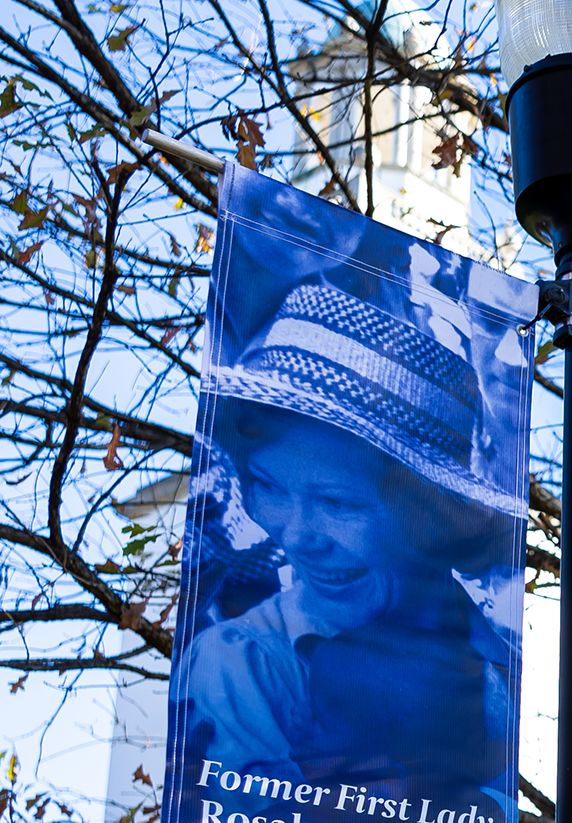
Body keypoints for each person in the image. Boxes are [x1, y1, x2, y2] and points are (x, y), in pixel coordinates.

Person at [179, 282, 519, 797]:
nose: (296, 537)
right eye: (270, 487)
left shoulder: (509, 665)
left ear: (429, 517)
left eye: (338, 503)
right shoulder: (243, 662)